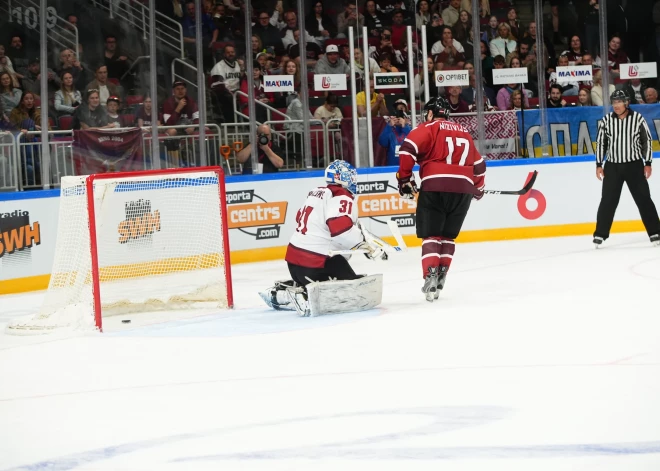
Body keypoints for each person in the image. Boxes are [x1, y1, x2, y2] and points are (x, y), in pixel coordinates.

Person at [258, 160, 385, 314]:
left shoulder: (317, 192)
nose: (353, 180)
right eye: (350, 176)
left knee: (339, 254)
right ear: (343, 178)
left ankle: (288, 292)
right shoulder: (341, 195)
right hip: (314, 264)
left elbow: (299, 217)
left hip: (293, 264)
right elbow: (339, 229)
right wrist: (363, 244)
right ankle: (303, 296)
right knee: (350, 284)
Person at [396, 96, 486, 301]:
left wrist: (404, 180)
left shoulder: (428, 127)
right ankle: (442, 274)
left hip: (435, 185)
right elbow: (479, 166)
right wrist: (478, 187)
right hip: (462, 189)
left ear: (429, 113)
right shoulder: (464, 132)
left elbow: (408, 149)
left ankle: (430, 275)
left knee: (431, 236)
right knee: (447, 237)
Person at [593, 90, 660, 248]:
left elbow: (647, 141)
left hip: (634, 166)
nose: (616, 105)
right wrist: (598, 165)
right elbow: (601, 143)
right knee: (608, 201)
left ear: (626, 103)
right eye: (614, 102)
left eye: (619, 102)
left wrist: (648, 162)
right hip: (613, 166)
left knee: (644, 199)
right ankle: (600, 234)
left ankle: (655, 231)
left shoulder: (637, 119)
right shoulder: (606, 120)